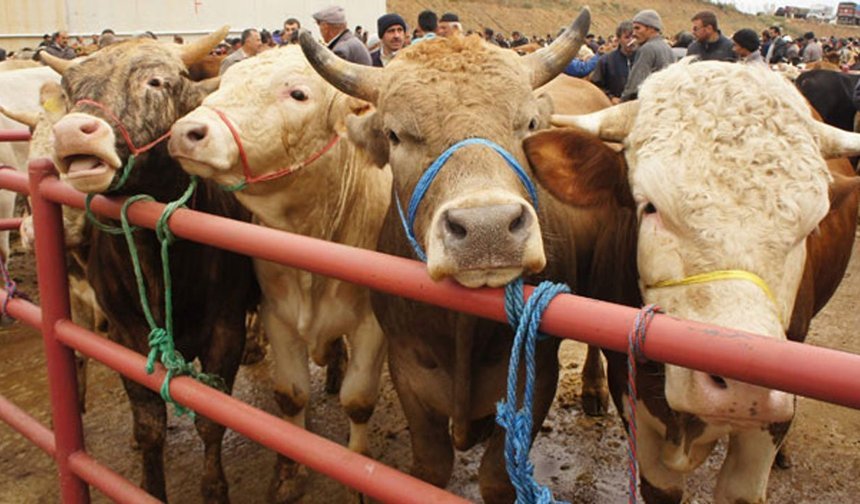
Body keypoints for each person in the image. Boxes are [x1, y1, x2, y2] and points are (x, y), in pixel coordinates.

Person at [621, 9, 673, 102]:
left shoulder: (647, 49)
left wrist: (623, 101)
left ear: (651, 29)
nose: (634, 33)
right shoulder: (668, 48)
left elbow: (635, 85)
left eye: (637, 28)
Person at [591, 21, 636, 103]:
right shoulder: (606, 61)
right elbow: (595, 86)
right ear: (618, 39)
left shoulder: (643, 59)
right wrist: (610, 97)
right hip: (614, 106)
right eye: (627, 37)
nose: (631, 41)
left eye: (633, 37)